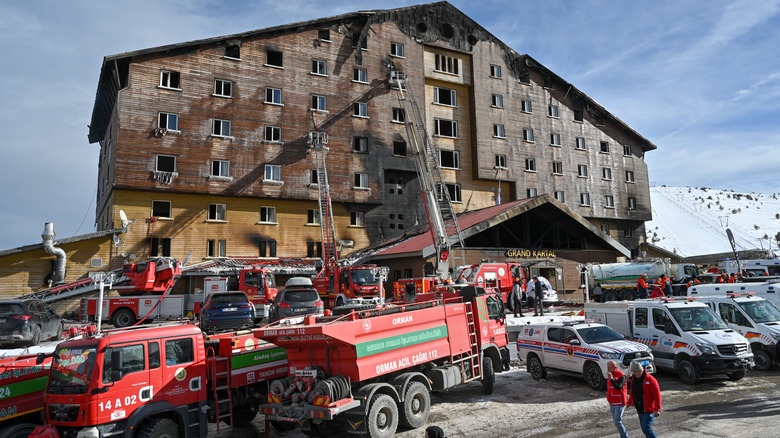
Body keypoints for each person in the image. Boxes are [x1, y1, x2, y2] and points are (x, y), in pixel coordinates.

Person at [627, 361, 662, 438]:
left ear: (640, 371)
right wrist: (630, 402)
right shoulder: (634, 379)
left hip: (649, 409)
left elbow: (657, 395)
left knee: (646, 428)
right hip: (640, 408)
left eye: (635, 371)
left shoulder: (650, 380)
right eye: (633, 371)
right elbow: (633, 391)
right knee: (644, 429)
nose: (633, 373)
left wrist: (657, 409)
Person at [606, 360, 629, 438]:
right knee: (616, 422)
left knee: (617, 421)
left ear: (615, 367)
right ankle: (623, 436)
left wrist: (612, 378)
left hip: (619, 402)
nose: (608, 369)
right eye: (608, 367)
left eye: (610, 368)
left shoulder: (621, 376)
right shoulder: (610, 375)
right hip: (612, 401)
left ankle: (625, 437)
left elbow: (618, 387)